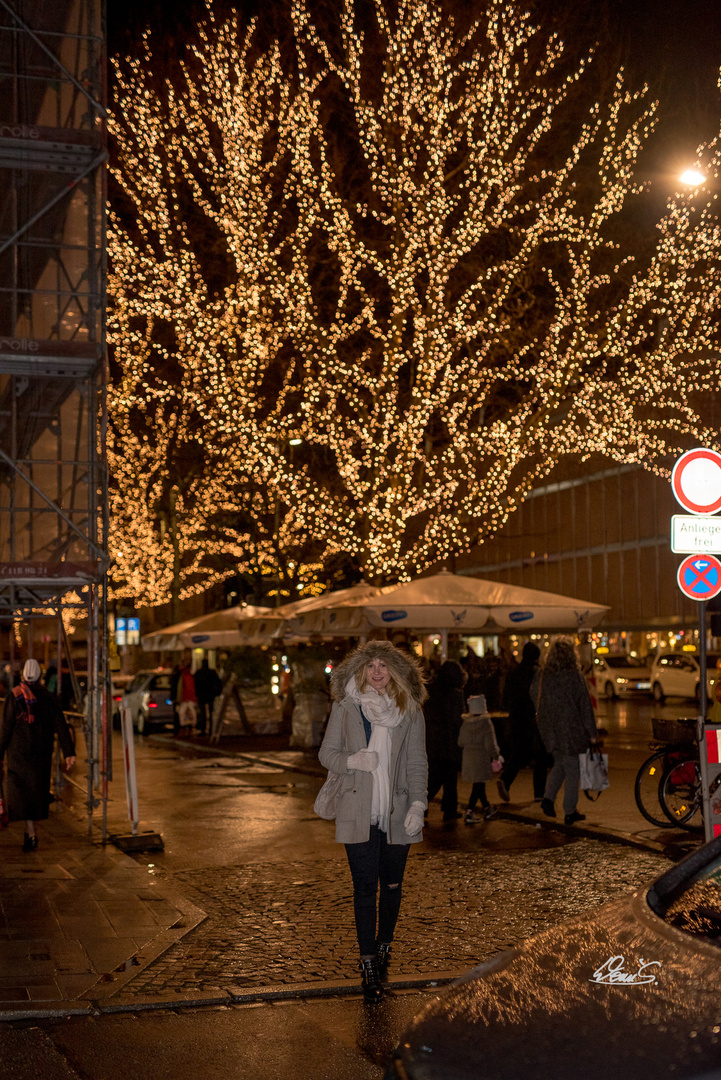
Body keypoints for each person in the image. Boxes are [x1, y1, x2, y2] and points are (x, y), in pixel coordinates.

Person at [318, 640, 428, 1004]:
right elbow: (326, 753)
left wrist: (418, 804)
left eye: (384, 666)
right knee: (365, 889)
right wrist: (353, 761)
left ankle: (384, 947)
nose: (377, 672)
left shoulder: (409, 710)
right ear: (360, 670)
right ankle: (367, 964)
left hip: (397, 812)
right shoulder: (347, 707)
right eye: (370, 666)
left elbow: (416, 763)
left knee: (392, 886)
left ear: (395, 671)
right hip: (358, 810)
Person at [0, 659, 76, 851]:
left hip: (18, 753)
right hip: (41, 754)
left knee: (21, 793)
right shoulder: (48, 697)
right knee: (36, 792)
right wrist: (68, 752)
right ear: (40, 677)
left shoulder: (14, 696)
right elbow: (60, 724)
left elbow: (5, 728)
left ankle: (30, 830)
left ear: (23, 675)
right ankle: (31, 831)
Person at [532, 638, 598, 826]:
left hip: (552, 730)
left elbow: (537, 698)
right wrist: (592, 733)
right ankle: (570, 811)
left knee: (560, 764)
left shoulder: (545, 675)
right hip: (572, 731)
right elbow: (585, 705)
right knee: (573, 771)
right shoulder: (574, 675)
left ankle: (548, 799)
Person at [497, 642, 548, 802]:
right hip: (534, 720)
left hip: (517, 719)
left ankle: (506, 780)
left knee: (520, 753)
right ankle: (539, 795)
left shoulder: (513, 673)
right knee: (541, 756)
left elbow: (505, 697)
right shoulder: (537, 673)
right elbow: (541, 697)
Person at [424, 659, 466, 822]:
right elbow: (457, 719)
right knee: (444, 776)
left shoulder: (432, 690)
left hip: (433, 740)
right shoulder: (456, 694)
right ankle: (425, 806)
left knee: (440, 775)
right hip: (448, 740)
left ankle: (448, 808)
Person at [458, 694, 502, 822]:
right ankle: (469, 812)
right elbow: (490, 743)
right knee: (478, 786)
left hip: (468, 758)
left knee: (479, 784)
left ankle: (487, 807)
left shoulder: (466, 722)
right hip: (480, 758)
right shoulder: (485, 722)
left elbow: (460, 741)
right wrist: (497, 756)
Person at [194, 659, 223, 737]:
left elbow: (196, 685)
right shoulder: (211, 673)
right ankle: (210, 730)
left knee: (203, 714)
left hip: (203, 696)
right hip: (209, 696)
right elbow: (218, 683)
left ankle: (204, 730)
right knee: (210, 714)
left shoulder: (199, 673)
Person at [175, 659, 197, 736]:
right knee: (187, 714)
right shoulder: (187, 676)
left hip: (186, 699)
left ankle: (186, 730)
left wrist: (185, 698)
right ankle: (188, 730)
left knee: (184, 714)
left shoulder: (185, 676)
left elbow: (186, 688)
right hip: (187, 699)